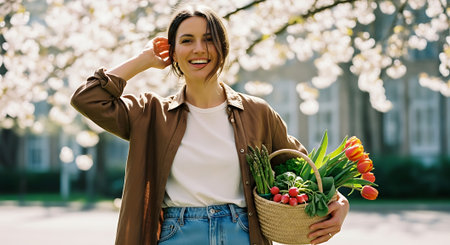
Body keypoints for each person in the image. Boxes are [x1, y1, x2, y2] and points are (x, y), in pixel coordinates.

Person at [71, 4, 349, 245]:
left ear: (223, 47)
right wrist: (143, 60)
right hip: (176, 234)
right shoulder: (151, 113)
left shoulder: (257, 113)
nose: (199, 49)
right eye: (187, 40)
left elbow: (302, 166)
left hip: (242, 231)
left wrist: (339, 200)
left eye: (209, 39)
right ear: (173, 51)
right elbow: (88, 98)